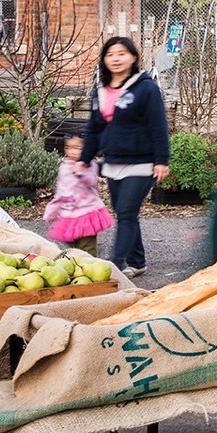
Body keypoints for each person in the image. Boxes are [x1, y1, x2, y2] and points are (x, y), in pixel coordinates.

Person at [80, 36, 171, 276]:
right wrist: (84, 159)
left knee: (127, 213)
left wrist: (162, 160)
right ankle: (137, 262)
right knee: (124, 213)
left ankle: (115, 267)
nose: (116, 59)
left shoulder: (146, 87)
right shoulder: (101, 90)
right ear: (104, 60)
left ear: (133, 57)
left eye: (121, 53)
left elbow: (158, 125)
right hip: (113, 162)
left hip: (142, 162)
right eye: (110, 54)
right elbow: (94, 129)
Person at [42, 135, 112, 255]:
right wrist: (52, 209)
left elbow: (91, 181)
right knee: (72, 247)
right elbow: (61, 191)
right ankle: (79, 265)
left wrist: (80, 171)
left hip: (87, 213)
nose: (72, 151)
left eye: (77, 148)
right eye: (68, 147)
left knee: (87, 247)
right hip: (69, 215)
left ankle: (92, 267)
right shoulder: (64, 166)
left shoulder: (89, 165)